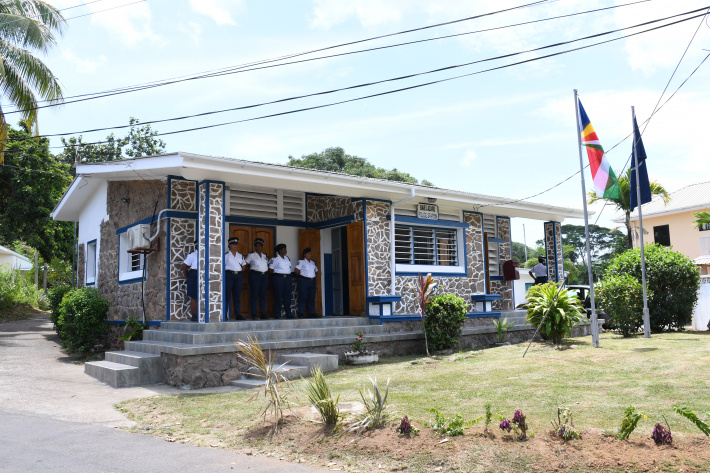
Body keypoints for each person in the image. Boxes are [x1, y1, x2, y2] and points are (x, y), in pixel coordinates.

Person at [245, 238, 269, 320]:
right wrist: (251, 272)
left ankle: (263, 314)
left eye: (260, 246)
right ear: (254, 247)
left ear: (262, 247)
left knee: (263, 295)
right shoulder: (251, 255)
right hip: (255, 276)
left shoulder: (265, 256)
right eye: (256, 246)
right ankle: (254, 314)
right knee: (254, 295)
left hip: (264, 276)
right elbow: (245, 265)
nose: (258, 247)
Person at [269, 243, 293, 319]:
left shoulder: (287, 258)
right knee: (278, 296)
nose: (286, 250)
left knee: (287, 297)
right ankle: (277, 314)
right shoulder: (275, 259)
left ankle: (288, 313)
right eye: (284, 249)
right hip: (278, 278)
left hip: (287, 278)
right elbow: (270, 270)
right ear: (280, 250)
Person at [224, 237, 246, 321]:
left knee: (237, 296)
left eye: (236, 244)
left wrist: (240, 271)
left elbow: (243, 266)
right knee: (227, 296)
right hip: (229, 275)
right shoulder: (226, 255)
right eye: (233, 244)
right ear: (229, 245)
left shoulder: (240, 255)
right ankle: (225, 314)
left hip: (238, 276)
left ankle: (238, 314)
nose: (235, 246)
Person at [295, 247, 318, 318]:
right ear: (304, 254)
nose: (309, 255)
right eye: (308, 253)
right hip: (304, 281)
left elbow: (316, 271)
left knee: (311, 297)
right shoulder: (301, 261)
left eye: (310, 253)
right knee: (302, 297)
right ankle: (301, 312)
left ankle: (312, 312)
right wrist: (303, 277)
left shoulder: (313, 262)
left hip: (312, 281)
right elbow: (296, 271)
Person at [181, 241, 199, 322]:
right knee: (194, 296)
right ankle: (194, 315)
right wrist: (186, 277)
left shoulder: (207, 253)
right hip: (194, 274)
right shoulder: (193, 255)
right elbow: (185, 266)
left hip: (203, 274)